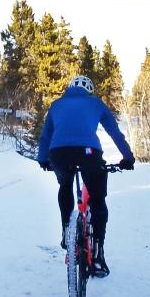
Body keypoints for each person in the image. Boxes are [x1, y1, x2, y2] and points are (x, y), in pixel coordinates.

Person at [37, 75, 135, 277]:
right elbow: (115, 133)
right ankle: (98, 255)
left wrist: (43, 159)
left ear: (70, 88)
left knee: (65, 186)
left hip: (59, 153)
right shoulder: (95, 103)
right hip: (89, 153)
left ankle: (67, 231)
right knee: (97, 199)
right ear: (89, 90)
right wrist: (128, 157)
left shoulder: (56, 105)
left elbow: (46, 135)